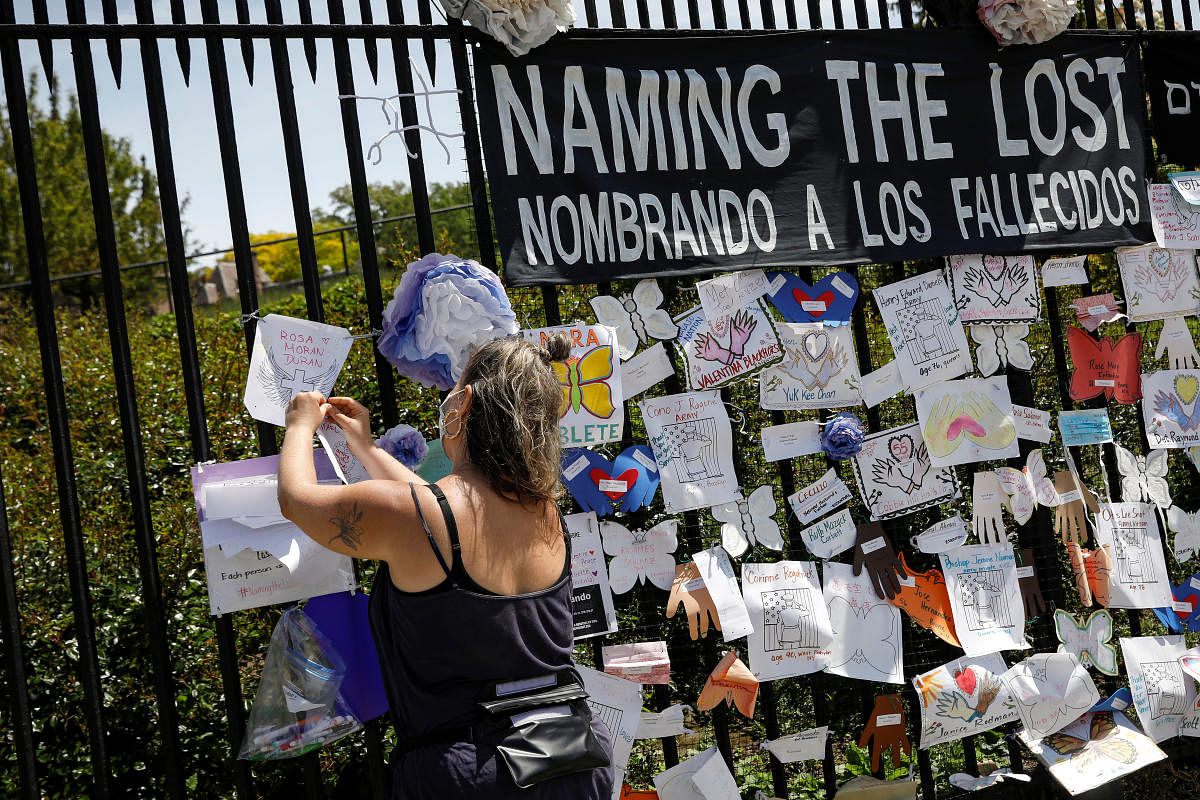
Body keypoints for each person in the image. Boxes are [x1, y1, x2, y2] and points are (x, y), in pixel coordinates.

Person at [277, 333, 614, 799]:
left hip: (471, 771)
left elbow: (298, 501)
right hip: (571, 758)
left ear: (464, 403)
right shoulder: (544, 512)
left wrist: (298, 425)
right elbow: (433, 509)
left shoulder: (421, 519)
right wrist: (368, 451)